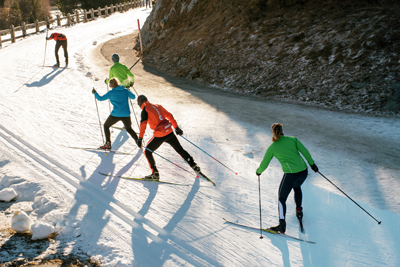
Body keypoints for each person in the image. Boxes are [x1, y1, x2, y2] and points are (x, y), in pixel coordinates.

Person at [256, 123, 318, 233]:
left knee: (281, 198)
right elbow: (305, 152)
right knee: (297, 187)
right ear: (282, 130)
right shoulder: (293, 140)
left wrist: (258, 172)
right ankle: (299, 211)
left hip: (291, 175)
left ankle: (282, 225)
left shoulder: (272, 147)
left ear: (273, 132)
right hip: (303, 172)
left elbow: (265, 163)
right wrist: (312, 165)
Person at [136, 95, 200, 180]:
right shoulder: (158, 106)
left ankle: (155, 174)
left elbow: (143, 125)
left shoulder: (145, 110)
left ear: (140, 103)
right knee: (180, 150)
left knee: (147, 152)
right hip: (169, 131)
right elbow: (169, 115)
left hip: (159, 135)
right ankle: (194, 165)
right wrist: (176, 127)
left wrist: (140, 138)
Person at [92, 77, 138, 149]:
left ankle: (108, 144)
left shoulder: (111, 92)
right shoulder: (125, 90)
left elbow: (100, 98)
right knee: (129, 128)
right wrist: (128, 90)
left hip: (116, 114)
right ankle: (138, 141)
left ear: (111, 85)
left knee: (106, 126)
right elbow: (133, 97)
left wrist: (95, 93)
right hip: (126, 114)